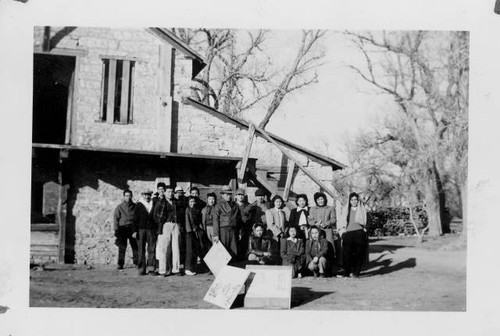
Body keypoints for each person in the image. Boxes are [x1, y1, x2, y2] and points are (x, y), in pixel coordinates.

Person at [338, 192, 368, 278]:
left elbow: (368, 220)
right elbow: (342, 221)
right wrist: (343, 233)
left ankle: (356, 273)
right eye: (352, 200)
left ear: (358, 200)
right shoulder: (346, 209)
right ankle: (347, 272)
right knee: (347, 254)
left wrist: (365, 229)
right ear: (349, 201)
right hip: (349, 233)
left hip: (359, 233)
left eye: (355, 200)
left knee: (358, 254)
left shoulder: (362, 209)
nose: (354, 201)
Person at [153, 185, 180, 277]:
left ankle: (176, 269)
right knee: (164, 249)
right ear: (164, 192)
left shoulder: (176, 202)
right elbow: (155, 216)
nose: (170, 193)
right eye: (168, 191)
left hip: (175, 225)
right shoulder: (160, 203)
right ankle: (162, 270)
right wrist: (161, 224)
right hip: (165, 225)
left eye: (172, 191)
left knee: (176, 248)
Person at [309, 192, 337, 273]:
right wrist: (315, 223)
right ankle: (317, 268)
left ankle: (330, 269)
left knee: (330, 249)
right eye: (318, 200)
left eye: (322, 199)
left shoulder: (330, 208)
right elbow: (310, 220)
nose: (320, 201)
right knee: (317, 248)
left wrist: (326, 223)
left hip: (327, 231)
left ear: (324, 199)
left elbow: (334, 219)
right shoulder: (313, 209)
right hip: (316, 231)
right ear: (316, 201)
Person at [213, 185, 242, 259]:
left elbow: (239, 219)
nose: (228, 196)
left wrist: (240, 232)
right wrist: (216, 234)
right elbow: (215, 220)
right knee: (223, 249)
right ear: (222, 195)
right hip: (223, 230)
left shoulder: (235, 205)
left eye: (229, 194)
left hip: (233, 230)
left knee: (233, 249)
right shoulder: (218, 205)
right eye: (226, 194)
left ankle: (232, 266)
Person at [132, 189, 156, 275]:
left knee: (151, 249)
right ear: (142, 195)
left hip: (151, 229)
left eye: (149, 195)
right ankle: (141, 269)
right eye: (145, 195)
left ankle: (151, 268)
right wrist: (134, 231)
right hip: (141, 229)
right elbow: (134, 219)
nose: (147, 196)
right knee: (141, 250)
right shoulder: (139, 205)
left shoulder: (153, 204)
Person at [113, 189, 138, 270]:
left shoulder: (135, 207)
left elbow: (137, 218)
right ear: (124, 197)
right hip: (122, 229)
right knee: (122, 247)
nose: (128, 197)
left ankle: (137, 262)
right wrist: (116, 230)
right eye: (126, 196)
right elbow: (116, 219)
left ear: (132, 196)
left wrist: (136, 230)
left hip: (132, 228)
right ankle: (120, 263)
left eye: (130, 196)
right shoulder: (119, 207)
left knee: (135, 246)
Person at [185, 196, 207, 276]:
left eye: (193, 201)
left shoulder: (195, 210)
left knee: (194, 250)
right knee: (189, 251)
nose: (192, 203)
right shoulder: (187, 210)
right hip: (190, 232)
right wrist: (190, 231)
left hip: (195, 232)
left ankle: (193, 268)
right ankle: (188, 268)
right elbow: (187, 221)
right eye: (190, 202)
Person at [235, 188, 254, 260]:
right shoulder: (233, 205)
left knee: (245, 244)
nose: (240, 197)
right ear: (236, 196)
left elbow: (250, 217)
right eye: (239, 195)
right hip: (236, 228)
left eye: (242, 195)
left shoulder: (248, 206)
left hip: (245, 228)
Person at [174, 185, 188, 272]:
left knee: (183, 245)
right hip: (176, 225)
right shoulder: (174, 202)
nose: (179, 194)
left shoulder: (185, 201)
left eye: (181, 193)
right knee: (176, 245)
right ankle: (176, 264)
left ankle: (182, 263)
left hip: (184, 225)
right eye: (178, 193)